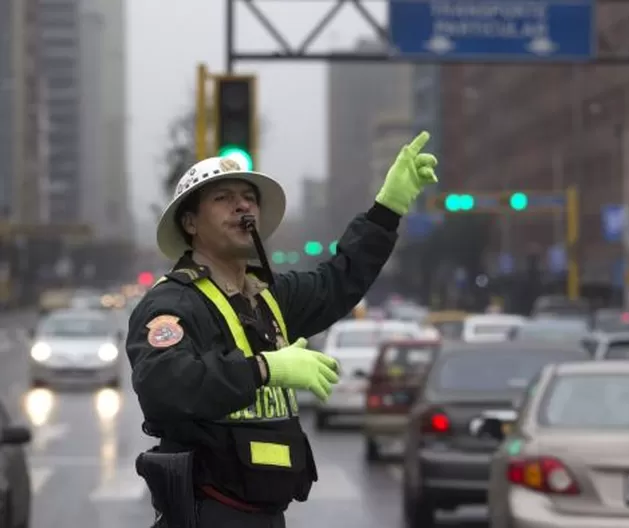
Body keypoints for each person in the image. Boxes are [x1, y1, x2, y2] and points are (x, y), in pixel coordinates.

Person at [127, 132, 439, 527]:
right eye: (222, 198)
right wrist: (266, 369)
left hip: (268, 516)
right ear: (190, 222)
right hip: (208, 514)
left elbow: (338, 281)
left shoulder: (269, 297)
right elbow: (162, 385)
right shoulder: (173, 303)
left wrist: (387, 209)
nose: (242, 206)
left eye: (249, 197)